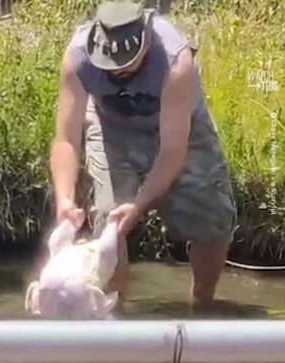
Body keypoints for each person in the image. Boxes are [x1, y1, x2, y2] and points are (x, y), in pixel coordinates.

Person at [49, 0, 236, 312]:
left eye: (126, 64)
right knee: (108, 220)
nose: (119, 70)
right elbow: (66, 139)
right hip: (111, 129)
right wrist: (65, 199)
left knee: (213, 220)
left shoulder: (176, 60)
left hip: (179, 130)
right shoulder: (77, 57)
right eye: (110, 65)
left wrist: (138, 206)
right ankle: (113, 311)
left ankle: (202, 304)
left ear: (146, 42)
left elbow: (173, 152)